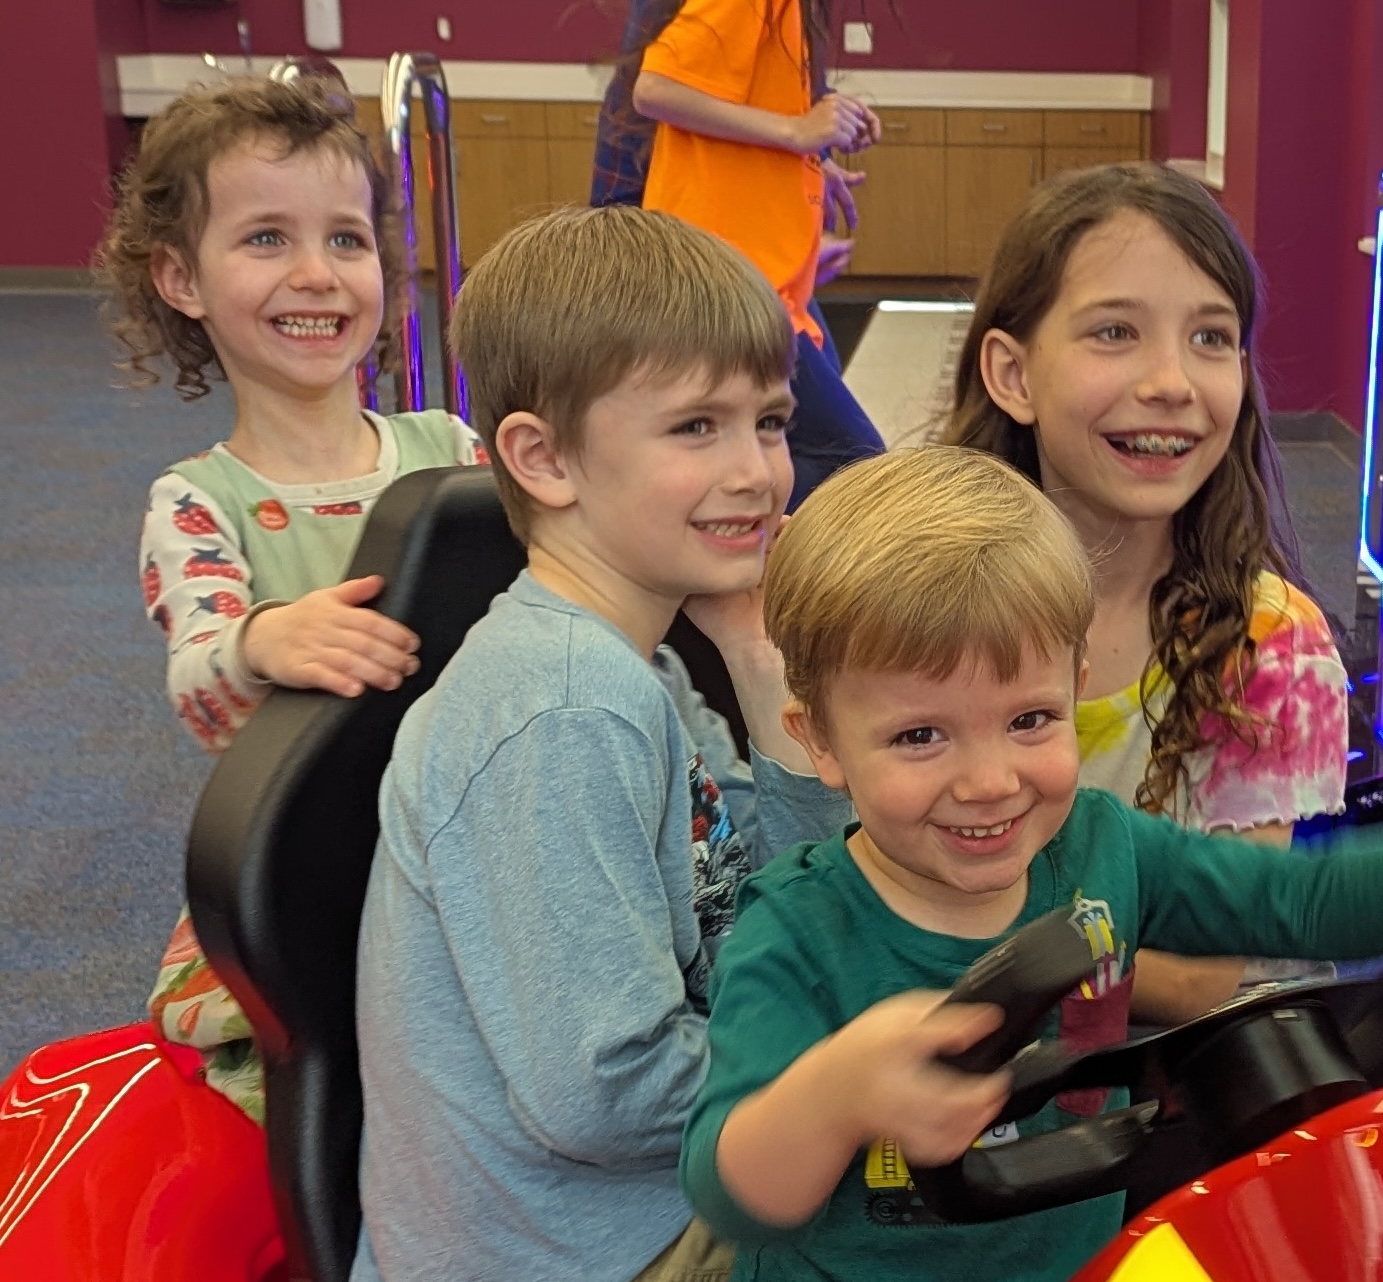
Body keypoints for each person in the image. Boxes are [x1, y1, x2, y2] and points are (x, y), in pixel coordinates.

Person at [679, 446, 1383, 1282]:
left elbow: (1291, 901)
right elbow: (731, 1196)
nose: (989, 783)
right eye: (919, 736)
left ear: (1073, 688)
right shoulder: (794, 930)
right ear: (821, 741)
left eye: (1029, 720)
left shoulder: (1103, 844)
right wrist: (837, 1093)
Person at [349, 205, 853, 1282]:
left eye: (768, 422)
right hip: (601, 1250)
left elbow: (801, 900)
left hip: (649, 1209)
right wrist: (835, 1075)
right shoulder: (564, 708)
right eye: (697, 427)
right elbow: (603, 1091)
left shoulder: (645, 668)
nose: (758, 472)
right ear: (543, 458)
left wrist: (758, 658)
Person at [95, 77, 485, 1120]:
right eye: (267, 238)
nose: (317, 273)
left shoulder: (450, 451)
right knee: (315, 1107)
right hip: (316, 868)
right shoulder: (198, 501)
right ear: (181, 277)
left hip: (471, 851)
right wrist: (264, 637)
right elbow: (201, 681)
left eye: (346, 239)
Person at [943, 161, 1349, 1021]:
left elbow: (1198, 977)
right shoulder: (923, 604)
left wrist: (927, 940)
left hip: (1196, 1056)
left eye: (1211, 337)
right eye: (1114, 332)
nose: (1171, 382)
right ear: (1013, 375)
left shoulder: (1270, 645)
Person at [631, 0, 886, 508]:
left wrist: (808, 160)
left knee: (800, 444)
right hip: (728, 278)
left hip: (765, 277)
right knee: (850, 462)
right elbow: (655, 89)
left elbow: (738, 113)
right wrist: (797, 132)